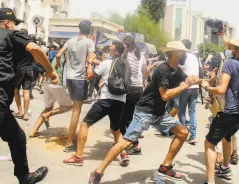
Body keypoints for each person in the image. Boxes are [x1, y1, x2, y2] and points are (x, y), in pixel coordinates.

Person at [87, 41, 201, 184]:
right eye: (182, 52)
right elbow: (165, 95)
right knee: (126, 143)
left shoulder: (176, 69)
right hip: (145, 111)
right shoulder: (163, 70)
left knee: (183, 132)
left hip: (159, 113)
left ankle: (165, 167)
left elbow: (188, 79)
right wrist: (185, 85)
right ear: (175, 53)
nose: (184, 55)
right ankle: (97, 172)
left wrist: (204, 82)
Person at [0, 8, 59, 183]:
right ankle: (24, 177)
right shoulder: (10, 34)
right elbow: (35, 49)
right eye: (13, 24)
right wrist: (51, 72)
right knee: (17, 138)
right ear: (7, 23)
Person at [63, 42, 130, 167]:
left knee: (85, 124)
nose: (108, 50)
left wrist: (89, 63)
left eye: (110, 49)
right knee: (116, 130)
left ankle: (78, 157)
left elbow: (89, 76)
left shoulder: (106, 63)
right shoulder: (125, 64)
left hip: (106, 99)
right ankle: (124, 154)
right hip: (121, 100)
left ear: (115, 52)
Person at [201, 38, 239, 184]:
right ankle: (225, 167)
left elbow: (221, 89)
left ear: (235, 50)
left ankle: (210, 181)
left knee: (209, 143)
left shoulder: (230, 63)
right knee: (226, 137)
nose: (228, 49)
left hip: (230, 112)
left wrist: (206, 86)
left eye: (230, 47)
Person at [56, 20, 100, 152]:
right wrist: (104, 64)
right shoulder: (89, 42)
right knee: (76, 110)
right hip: (80, 79)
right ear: (90, 30)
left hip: (69, 77)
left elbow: (58, 55)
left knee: (76, 109)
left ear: (79, 29)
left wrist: (58, 64)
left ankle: (71, 138)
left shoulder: (70, 40)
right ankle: (70, 142)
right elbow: (90, 59)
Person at [29, 42, 73, 137]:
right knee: (70, 106)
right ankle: (48, 114)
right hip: (58, 84)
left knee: (48, 107)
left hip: (48, 83)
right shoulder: (67, 57)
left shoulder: (55, 56)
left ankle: (34, 131)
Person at [121, 36, 147, 155]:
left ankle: (135, 145)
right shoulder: (140, 54)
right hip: (139, 88)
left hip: (128, 88)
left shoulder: (125, 55)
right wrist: (142, 82)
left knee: (125, 117)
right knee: (133, 115)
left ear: (126, 45)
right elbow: (145, 71)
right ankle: (127, 140)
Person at [178, 39, 200, 144]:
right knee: (192, 112)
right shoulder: (195, 57)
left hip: (185, 87)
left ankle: (183, 132)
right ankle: (193, 135)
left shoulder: (183, 57)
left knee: (181, 111)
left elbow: (180, 71)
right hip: (195, 87)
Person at [13, 29, 34, 121]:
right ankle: (25, 114)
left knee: (16, 91)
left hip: (19, 70)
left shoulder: (17, 45)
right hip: (29, 70)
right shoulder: (31, 46)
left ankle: (20, 111)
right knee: (26, 92)